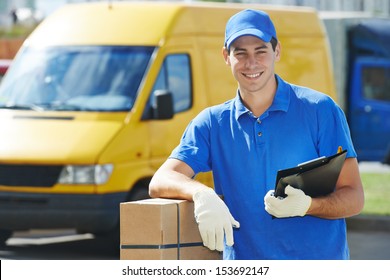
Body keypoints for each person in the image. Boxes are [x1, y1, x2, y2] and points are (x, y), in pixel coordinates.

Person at [149, 9, 364, 260]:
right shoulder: (212, 123)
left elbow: (354, 197)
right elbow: (161, 180)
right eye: (240, 52)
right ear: (226, 57)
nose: (251, 62)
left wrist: (308, 206)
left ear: (277, 52)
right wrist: (201, 194)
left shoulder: (320, 110)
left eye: (260, 50)